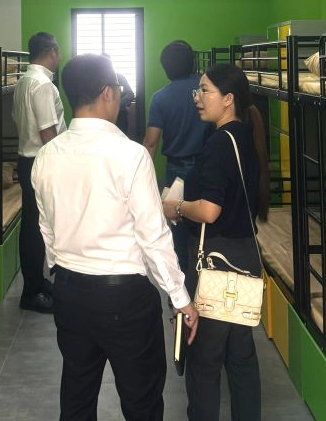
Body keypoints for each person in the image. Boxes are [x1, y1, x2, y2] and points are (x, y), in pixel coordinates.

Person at [33, 53, 199, 421]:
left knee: (76, 397)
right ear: (107, 93)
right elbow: (153, 236)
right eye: (118, 90)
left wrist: (64, 271)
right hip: (124, 297)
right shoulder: (131, 155)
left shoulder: (46, 156)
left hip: (69, 292)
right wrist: (180, 298)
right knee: (142, 402)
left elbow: (47, 227)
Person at [163, 63, 263, 421]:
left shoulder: (220, 142)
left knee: (204, 360)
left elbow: (209, 211)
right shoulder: (243, 136)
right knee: (241, 357)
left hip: (215, 264)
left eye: (205, 90)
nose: (198, 97)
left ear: (228, 98)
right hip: (244, 258)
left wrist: (177, 207)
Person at [144, 40, 212, 271]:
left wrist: (144, 179)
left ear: (166, 68)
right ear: (192, 62)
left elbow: (151, 142)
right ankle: (209, 278)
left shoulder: (160, 98)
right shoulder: (207, 91)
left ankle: (182, 281)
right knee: (208, 221)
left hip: (177, 172)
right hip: (207, 166)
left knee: (178, 228)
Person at [11, 31, 65, 314]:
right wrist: (59, 166)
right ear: (52, 51)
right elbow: (48, 131)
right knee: (36, 229)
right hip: (41, 160)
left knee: (33, 226)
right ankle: (31, 293)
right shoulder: (43, 84)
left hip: (26, 159)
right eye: (58, 51)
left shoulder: (24, 81)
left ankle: (36, 282)